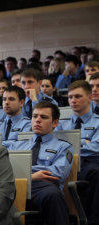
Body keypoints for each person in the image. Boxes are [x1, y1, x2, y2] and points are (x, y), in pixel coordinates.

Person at [8, 101, 73, 225]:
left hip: (42, 189)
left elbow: (58, 172)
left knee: (52, 195)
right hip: (16, 187)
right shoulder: (16, 145)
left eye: (43, 117)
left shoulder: (64, 147)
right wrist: (31, 176)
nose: (37, 120)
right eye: (34, 116)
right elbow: (3, 169)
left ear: (55, 123)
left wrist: (24, 173)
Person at [56, 80, 99, 224]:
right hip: (64, 163)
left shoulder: (98, 122)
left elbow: (95, 148)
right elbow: (56, 146)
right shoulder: (61, 123)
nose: (73, 101)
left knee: (95, 172)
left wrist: (70, 145)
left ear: (89, 97)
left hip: (88, 165)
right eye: (70, 97)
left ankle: (93, 220)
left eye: (78, 96)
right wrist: (84, 142)